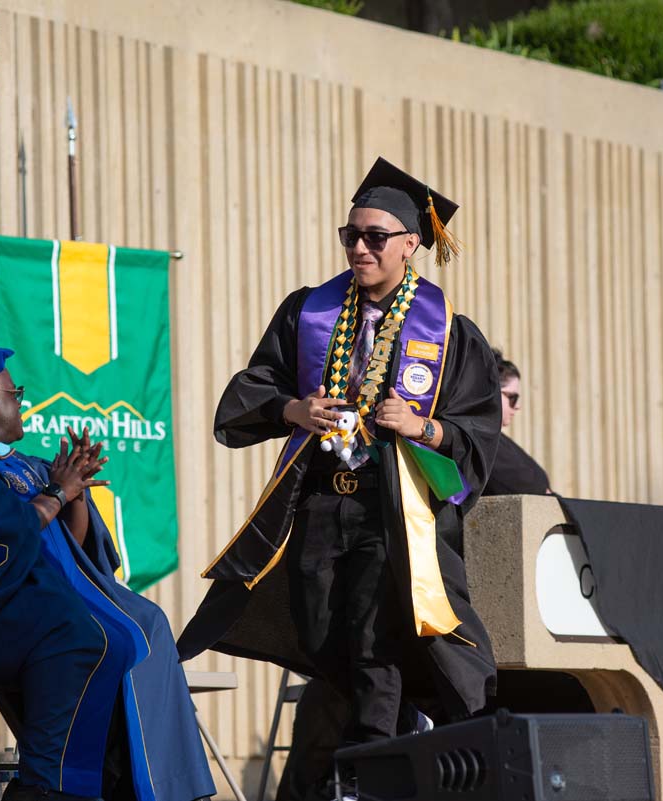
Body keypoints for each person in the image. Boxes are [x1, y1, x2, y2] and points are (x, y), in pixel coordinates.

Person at [178, 157, 501, 777]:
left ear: (411, 244)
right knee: (323, 632)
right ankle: (401, 732)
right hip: (322, 503)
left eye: (375, 237)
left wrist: (422, 426)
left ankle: (375, 770)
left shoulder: (451, 333)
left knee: (375, 642)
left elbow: (478, 431)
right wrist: (293, 408)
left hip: (395, 512)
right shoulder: (309, 313)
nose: (359, 247)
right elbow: (247, 393)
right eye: (350, 235)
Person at [0, 349, 214, 801]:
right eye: (14, 393)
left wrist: (76, 492)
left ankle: (157, 787)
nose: (20, 402)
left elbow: (78, 548)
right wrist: (57, 493)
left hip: (50, 603)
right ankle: (56, 786)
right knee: (92, 635)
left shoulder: (22, 463)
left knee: (147, 621)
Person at [482, 349, 551, 496]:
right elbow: (530, 485)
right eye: (512, 397)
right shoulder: (482, 437)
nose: (517, 405)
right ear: (491, 392)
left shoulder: (493, 437)